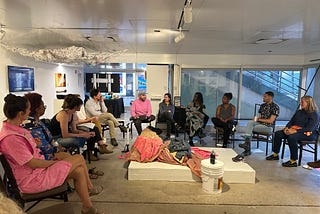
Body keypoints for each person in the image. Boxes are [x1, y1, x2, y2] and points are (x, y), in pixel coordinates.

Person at [0, 94, 104, 214]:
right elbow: (33, 163)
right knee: (79, 158)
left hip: (37, 171)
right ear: (20, 114)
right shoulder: (11, 138)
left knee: (79, 170)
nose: (30, 111)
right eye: (28, 109)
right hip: (32, 180)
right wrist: (53, 163)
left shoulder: (16, 130)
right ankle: (90, 190)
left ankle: (88, 208)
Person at [266, 95, 319, 167]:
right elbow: (291, 121)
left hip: (309, 133)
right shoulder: (299, 112)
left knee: (292, 137)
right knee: (278, 134)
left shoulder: (314, 114)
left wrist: (295, 131)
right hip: (294, 130)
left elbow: (309, 128)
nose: (300, 103)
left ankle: (293, 161)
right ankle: (275, 154)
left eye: (302, 102)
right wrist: (286, 128)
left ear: (308, 103)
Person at [49, 94, 99, 161]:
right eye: (80, 106)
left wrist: (86, 133)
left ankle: (86, 153)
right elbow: (65, 135)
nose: (81, 107)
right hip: (56, 138)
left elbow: (74, 130)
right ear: (76, 106)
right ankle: (70, 155)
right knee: (77, 140)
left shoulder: (72, 114)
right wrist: (82, 135)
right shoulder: (63, 115)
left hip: (62, 136)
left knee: (89, 135)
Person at [239, 91, 279, 155]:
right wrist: (255, 120)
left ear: (270, 97)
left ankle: (247, 148)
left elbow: (270, 121)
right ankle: (247, 144)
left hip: (268, 127)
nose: (263, 97)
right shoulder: (262, 106)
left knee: (250, 128)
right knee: (250, 123)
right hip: (260, 124)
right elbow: (260, 117)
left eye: (265, 96)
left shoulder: (275, 107)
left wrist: (259, 119)